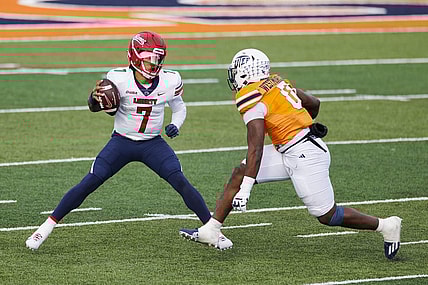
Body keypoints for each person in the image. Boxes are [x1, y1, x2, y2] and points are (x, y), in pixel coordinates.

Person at [179, 48, 402, 259]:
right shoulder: (276, 83)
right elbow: (314, 103)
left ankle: (386, 225)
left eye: (237, 71)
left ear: (246, 71)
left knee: (327, 216)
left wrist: (246, 189)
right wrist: (303, 122)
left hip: (306, 155)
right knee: (240, 171)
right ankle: (212, 229)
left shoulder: (251, 95)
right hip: (292, 148)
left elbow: (255, 146)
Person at [26, 31, 232, 251]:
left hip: (153, 143)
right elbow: (100, 106)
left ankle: (213, 231)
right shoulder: (118, 78)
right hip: (121, 142)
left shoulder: (170, 80)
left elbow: (179, 107)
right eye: (150, 58)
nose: (155, 64)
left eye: (158, 59)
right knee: (90, 181)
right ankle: (44, 229)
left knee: (180, 181)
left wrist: (176, 124)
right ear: (134, 57)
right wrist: (95, 101)